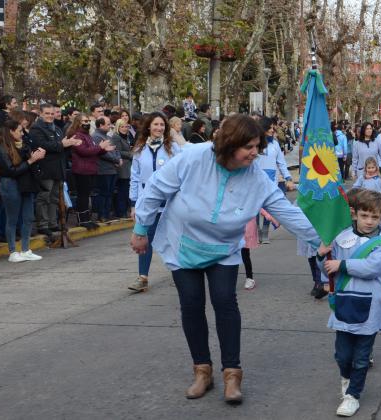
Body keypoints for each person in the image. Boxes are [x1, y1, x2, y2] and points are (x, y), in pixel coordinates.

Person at [130, 114, 321, 404]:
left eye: (258, 146)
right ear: (230, 144)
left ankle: (232, 374)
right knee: (192, 305)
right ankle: (202, 371)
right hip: (183, 244)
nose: (255, 153)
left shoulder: (256, 177)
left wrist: (320, 240)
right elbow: (156, 187)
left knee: (225, 303)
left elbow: (286, 211)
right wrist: (141, 228)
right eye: (249, 147)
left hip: (224, 247)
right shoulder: (194, 157)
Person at [316, 190, 381, 417]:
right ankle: (346, 379)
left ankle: (353, 395)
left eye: (375, 217)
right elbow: (329, 268)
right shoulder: (341, 237)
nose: (369, 221)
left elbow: (372, 268)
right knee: (342, 355)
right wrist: (322, 256)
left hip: (370, 306)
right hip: (344, 302)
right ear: (354, 214)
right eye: (365, 215)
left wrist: (341, 264)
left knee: (361, 357)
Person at [128, 112, 182, 293]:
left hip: (169, 203)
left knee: (173, 239)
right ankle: (142, 277)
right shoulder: (139, 149)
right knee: (144, 239)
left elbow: (181, 173)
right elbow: (134, 178)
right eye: (156, 124)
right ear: (148, 126)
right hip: (147, 204)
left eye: (162, 125)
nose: (159, 128)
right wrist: (134, 203)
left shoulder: (173, 148)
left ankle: (180, 274)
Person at [0, 119, 46, 262]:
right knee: (12, 219)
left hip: (26, 184)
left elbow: (30, 162)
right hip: (10, 184)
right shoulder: (1, 148)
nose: (22, 134)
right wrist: (31, 161)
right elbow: (10, 171)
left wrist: (37, 156)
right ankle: (12, 251)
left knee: (28, 217)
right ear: (11, 131)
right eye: (19, 130)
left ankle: (25, 249)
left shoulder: (24, 145)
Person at [28, 103, 81, 236]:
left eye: (52, 113)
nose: (50, 116)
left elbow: (61, 146)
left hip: (58, 168)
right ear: (40, 114)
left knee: (55, 198)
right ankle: (43, 225)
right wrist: (62, 144)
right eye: (47, 113)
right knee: (44, 197)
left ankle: (53, 223)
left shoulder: (57, 129)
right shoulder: (36, 128)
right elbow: (42, 145)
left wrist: (69, 144)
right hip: (45, 168)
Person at [69, 114, 115, 230]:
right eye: (85, 120)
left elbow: (93, 151)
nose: (87, 122)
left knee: (87, 195)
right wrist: (100, 147)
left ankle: (87, 219)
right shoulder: (77, 135)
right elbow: (84, 151)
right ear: (78, 122)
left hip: (90, 169)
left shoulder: (87, 135)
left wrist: (103, 150)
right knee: (82, 195)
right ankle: (82, 219)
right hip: (81, 170)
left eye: (88, 120)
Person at [257, 117, 295, 244]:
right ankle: (256, 231)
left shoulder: (275, 144)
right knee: (255, 207)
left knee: (268, 207)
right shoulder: (255, 143)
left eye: (273, 127)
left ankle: (265, 232)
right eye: (270, 128)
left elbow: (281, 163)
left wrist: (288, 177)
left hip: (271, 180)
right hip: (256, 180)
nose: (273, 130)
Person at [94, 117, 121, 222]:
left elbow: (115, 148)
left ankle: (107, 214)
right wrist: (116, 160)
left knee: (109, 193)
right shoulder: (96, 136)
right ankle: (102, 215)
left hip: (112, 169)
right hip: (103, 169)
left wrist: (118, 158)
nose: (110, 126)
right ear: (101, 125)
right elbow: (102, 153)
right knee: (103, 193)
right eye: (108, 124)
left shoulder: (107, 136)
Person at [111, 119, 134, 218]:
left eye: (126, 127)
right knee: (122, 191)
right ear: (118, 127)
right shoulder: (116, 137)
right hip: (122, 167)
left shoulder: (127, 137)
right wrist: (131, 154)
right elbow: (118, 151)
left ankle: (124, 211)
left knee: (126, 190)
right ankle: (121, 212)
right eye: (122, 127)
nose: (125, 129)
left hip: (127, 167)